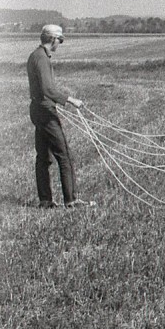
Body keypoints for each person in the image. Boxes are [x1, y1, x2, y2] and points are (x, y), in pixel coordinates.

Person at [27, 24, 95, 209]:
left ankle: (45, 201)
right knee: (64, 155)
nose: (60, 44)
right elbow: (48, 89)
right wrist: (71, 100)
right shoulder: (41, 59)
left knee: (43, 158)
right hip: (45, 113)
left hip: (37, 110)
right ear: (53, 39)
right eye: (60, 40)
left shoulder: (35, 55)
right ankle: (71, 200)